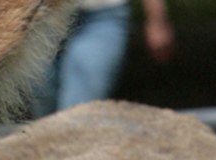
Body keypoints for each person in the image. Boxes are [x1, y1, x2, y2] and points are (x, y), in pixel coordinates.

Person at [34, 0, 175, 117]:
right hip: (40, 15)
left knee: (79, 110)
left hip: (102, 14)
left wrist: (157, 20)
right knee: (42, 105)